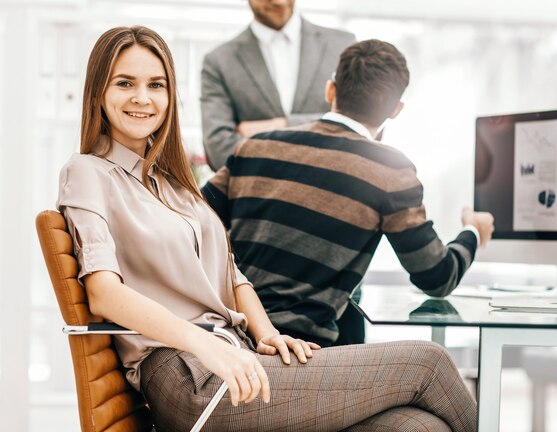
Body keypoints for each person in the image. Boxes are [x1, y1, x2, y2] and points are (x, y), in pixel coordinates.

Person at [57, 25, 477, 432]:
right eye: (125, 84)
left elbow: (231, 273)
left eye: (157, 85)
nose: (143, 99)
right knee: (430, 362)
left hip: (234, 353)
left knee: (418, 426)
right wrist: (204, 345)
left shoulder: (174, 187)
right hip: (186, 373)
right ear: (98, 93)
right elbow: (103, 292)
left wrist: (268, 334)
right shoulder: (88, 172)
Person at [202, 40, 495, 348]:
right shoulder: (390, 171)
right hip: (303, 355)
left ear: (331, 90)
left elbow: (190, 222)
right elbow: (437, 277)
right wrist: (473, 229)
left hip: (225, 339)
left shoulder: (255, 146)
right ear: (395, 110)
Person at [201, 0, 355, 170]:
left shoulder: (342, 45)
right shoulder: (219, 61)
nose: (279, 2)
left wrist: (281, 125)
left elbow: (362, 126)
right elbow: (219, 150)